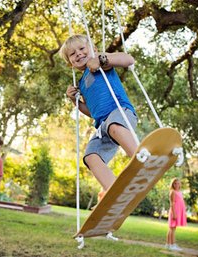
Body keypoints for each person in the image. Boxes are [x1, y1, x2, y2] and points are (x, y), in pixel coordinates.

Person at [60, 34, 138, 205]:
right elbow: (92, 111)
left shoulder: (101, 63)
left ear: (93, 49)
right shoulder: (81, 84)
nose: (78, 54)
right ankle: (115, 193)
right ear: (70, 63)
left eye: (82, 49)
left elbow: (128, 59)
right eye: (73, 54)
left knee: (114, 127)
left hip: (120, 112)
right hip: (103, 125)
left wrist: (102, 59)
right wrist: (75, 101)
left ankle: (140, 159)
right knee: (90, 157)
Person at [166, 178, 187, 251]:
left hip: (179, 211)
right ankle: (173, 245)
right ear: (172, 184)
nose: (177, 185)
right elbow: (172, 204)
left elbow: (181, 201)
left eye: (178, 183)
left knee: (171, 228)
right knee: (172, 229)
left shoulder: (180, 192)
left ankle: (168, 244)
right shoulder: (172, 192)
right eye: (175, 183)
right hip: (174, 212)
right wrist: (174, 214)